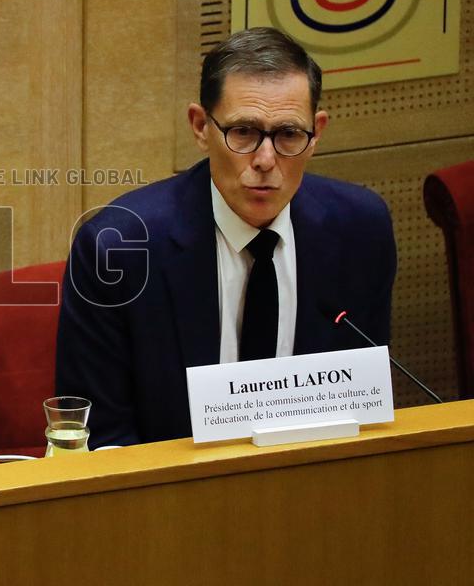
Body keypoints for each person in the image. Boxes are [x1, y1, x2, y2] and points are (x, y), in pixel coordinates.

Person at [55, 27, 396, 447]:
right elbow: (102, 436)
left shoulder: (360, 231)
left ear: (316, 133)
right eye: (244, 133)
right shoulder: (120, 247)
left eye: (289, 134)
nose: (266, 160)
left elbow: (363, 408)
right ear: (200, 127)